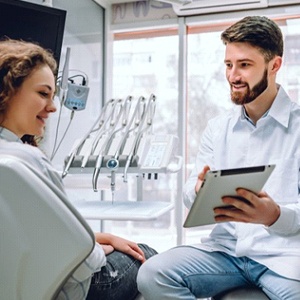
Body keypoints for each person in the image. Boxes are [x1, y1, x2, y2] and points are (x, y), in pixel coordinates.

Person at [137, 16, 300, 300]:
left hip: (283, 257)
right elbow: (189, 192)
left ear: (274, 65)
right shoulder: (218, 127)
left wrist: (274, 216)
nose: (233, 76)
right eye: (229, 64)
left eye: (245, 65)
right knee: (153, 274)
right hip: (226, 253)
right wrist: (200, 191)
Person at [0, 38, 157, 300]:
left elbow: (25, 236)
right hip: (70, 289)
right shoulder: (28, 162)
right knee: (148, 255)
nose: (52, 107)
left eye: (53, 96)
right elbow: (85, 262)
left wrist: (100, 237)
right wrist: (96, 248)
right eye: (42, 93)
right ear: (7, 90)